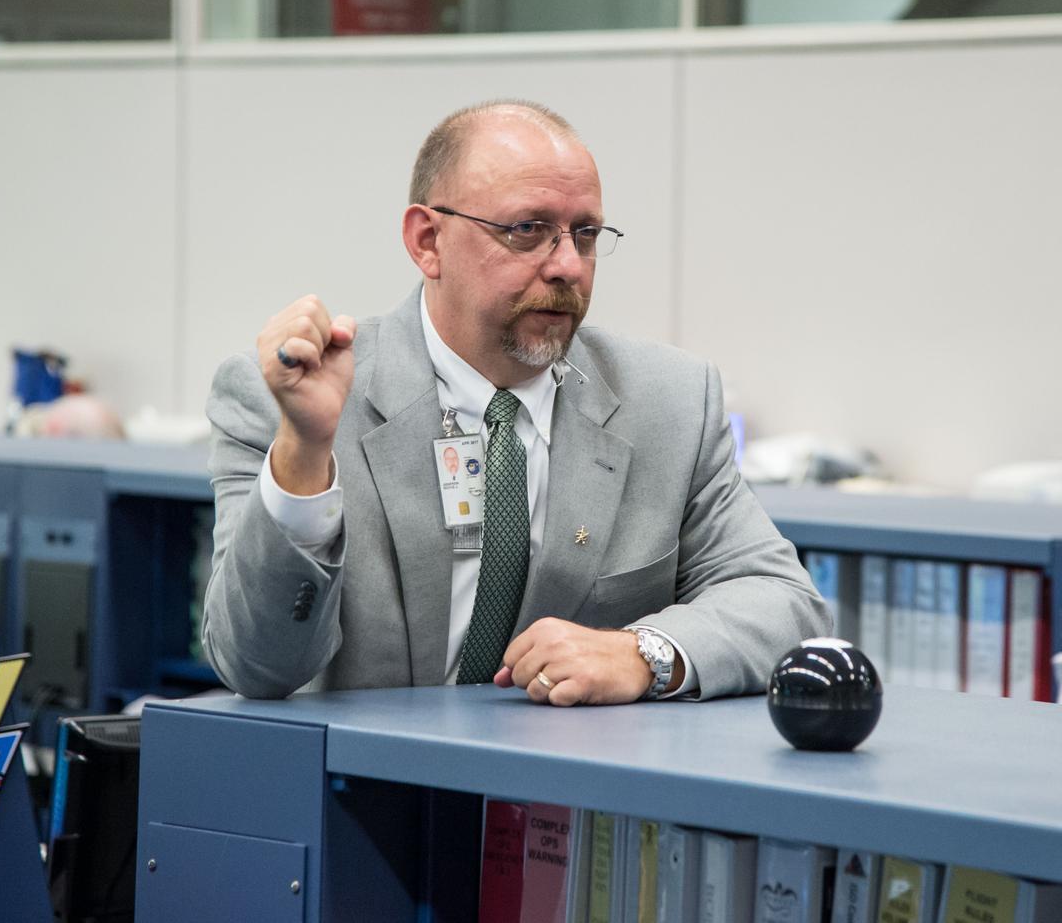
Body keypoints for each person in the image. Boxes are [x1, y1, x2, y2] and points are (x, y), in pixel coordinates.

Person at [203, 99, 829, 705]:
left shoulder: (669, 402)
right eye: (527, 230)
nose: (568, 267)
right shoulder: (290, 397)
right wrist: (305, 453)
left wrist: (644, 652)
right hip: (353, 791)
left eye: (584, 234)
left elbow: (783, 600)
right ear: (428, 241)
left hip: (563, 794)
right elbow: (256, 666)